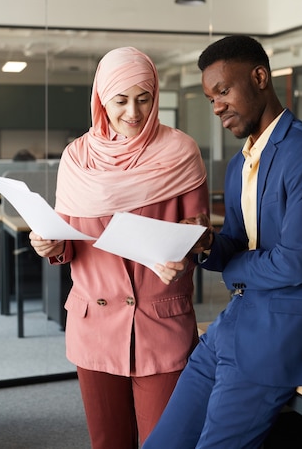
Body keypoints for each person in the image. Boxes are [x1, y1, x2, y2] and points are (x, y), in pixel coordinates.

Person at [142, 34, 302, 449]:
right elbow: (236, 242)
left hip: (279, 334)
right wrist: (203, 244)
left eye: (223, 91)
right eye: (210, 98)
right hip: (231, 324)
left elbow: (293, 264)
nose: (217, 106)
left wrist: (234, 266)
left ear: (259, 78)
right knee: (162, 443)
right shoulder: (239, 165)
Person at [29, 46, 210, 449]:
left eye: (144, 99)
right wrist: (51, 245)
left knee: (164, 442)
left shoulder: (180, 151)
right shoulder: (77, 158)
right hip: (94, 322)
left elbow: (199, 234)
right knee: (108, 441)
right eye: (121, 100)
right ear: (101, 99)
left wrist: (185, 251)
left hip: (160, 320)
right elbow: (69, 244)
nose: (133, 112)